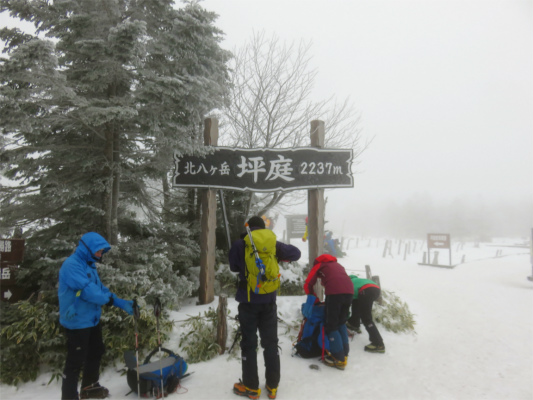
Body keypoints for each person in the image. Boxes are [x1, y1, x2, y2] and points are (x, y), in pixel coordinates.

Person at [229, 216, 301, 400]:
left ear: (249, 228)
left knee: (249, 344)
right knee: (270, 343)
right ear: (263, 228)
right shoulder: (272, 243)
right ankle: (273, 386)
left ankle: (251, 388)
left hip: (248, 302)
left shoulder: (240, 244)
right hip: (269, 302)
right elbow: (296, 253)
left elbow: (234, 267)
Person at [58, 232, 135, 400]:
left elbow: (99, 288)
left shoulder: (89, 265)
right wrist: (109, 301)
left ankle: (89, 387)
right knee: (74, 362)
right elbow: (88, 291)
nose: (100, 255)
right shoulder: (72, 265)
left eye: (102, 252)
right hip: (77, 322)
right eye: (98, 251)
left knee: (96, 351)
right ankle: (69, 396)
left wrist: (120, 301)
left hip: (91, 319)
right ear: (87, 248)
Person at [303, 254, 354, 370]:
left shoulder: (319, 265)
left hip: (335, 293)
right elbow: (335, 279)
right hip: (350, 292)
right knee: (341, 322)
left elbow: (308, 283)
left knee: (331, 325)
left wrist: (312, 296)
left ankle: (338, 358)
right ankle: (344, 353)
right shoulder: (338, 266)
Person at [347, 275, 385, 353]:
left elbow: (346, 302)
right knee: (356, 303)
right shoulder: (358, 280)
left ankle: (378, 343)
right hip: (376, 289)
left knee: (366, 318)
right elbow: (354, 302)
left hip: (366, 290)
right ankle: (354, 324)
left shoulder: (348, 282)